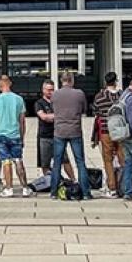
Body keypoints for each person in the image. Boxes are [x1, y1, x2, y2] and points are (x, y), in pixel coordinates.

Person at [0, 74, 32, 197]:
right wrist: (22, 137)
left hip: (0, 135)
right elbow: (22, 121)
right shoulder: (19, 99)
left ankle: (9, 188)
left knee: (6, 161)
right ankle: (25, 188)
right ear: (10, 84)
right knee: (18, 160)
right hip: (15, 135)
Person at [50, 71, 90, 200]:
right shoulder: (79, 93)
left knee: (57, 163)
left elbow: (53, 109)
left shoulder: (55, 94)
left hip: (59, 131)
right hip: (75, 130)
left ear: (61, 80)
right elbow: (84, 109)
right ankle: (86, 193)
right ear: (72, 80)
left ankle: (53, 192)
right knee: (80, 162)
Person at [91, 73, 123, 198]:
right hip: (120, 130)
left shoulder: (99, 96)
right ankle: (123, 185)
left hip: (106, 130)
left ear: (105, 82)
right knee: (123, 159)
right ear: (116, 81)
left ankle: (112, 187)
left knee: (108, 160)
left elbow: (96, 111)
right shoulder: (122, 95)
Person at [35, 81, 73, 181]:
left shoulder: (58, 102)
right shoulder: (39, 103)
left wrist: (52, 117)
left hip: (58, 135)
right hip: (44, 137)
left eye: (52, 89)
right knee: (45, 163)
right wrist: (58, 116)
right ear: (43, 90)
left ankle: (73, 180)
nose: (50, 92)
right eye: (48, 90)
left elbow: (66, 115)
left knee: (65, 160)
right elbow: (43, 117)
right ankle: (48, 182)